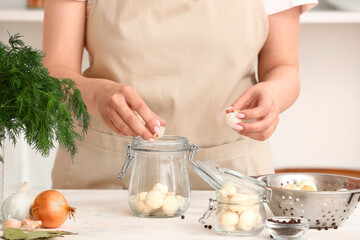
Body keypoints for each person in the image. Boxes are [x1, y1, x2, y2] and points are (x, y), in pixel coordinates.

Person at [43, 0, 317, 189]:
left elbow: (284, 67)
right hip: (104, 176)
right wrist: (96, 94)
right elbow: (55, 70)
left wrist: (273, 94)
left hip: (230, 183)